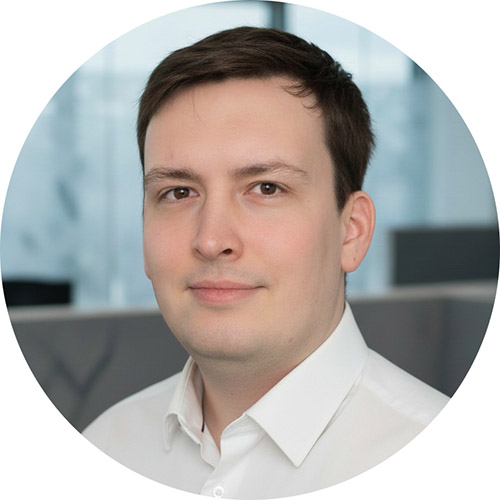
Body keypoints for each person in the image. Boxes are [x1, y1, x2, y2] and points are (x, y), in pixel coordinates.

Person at [83, 26, 448, 498]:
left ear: (351, 231)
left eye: (266, 188)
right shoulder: (103, 448)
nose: (211, 240)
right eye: (178, 192)